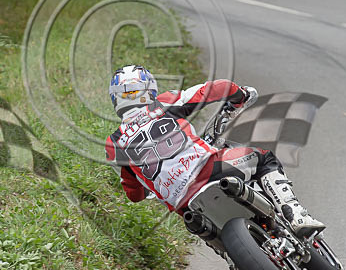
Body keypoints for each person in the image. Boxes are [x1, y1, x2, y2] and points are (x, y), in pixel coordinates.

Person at [104, 64, 324, 238]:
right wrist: (241, 96)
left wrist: (148, 190)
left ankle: (234, 260)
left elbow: (133, 194)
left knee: (207, 233)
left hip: (182, 202)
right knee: (264, 158)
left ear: (115, 98)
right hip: (209, 170)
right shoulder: (164, 103)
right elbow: (219, 88)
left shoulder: (114, 143)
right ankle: (295, 214)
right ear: (149, 88)